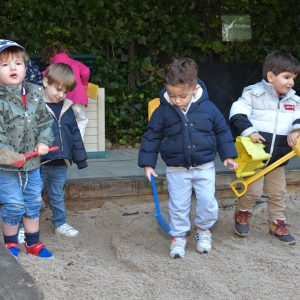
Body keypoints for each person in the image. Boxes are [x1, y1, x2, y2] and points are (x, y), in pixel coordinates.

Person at [138, 58, 238, 258]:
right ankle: (178, 236)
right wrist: (148, 163)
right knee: (178, 204)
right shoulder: (163, 111)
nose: (177, 100)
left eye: (182, 96)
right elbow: (152, 136)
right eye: (172, 95)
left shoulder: (208, 108)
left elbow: (221, 131)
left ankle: (203, 230)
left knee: (208, 202)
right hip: (176, 168)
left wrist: (228, 155)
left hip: (204, 166)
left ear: (194, 88)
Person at [229, 50, 300, 245]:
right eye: (286, 77)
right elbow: (237, 112)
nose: (291, 82)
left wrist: (296, 129)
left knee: (278, 192)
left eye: (293, 78)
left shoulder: (294, 101)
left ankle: (277, 223)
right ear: (270, 76)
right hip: (256, 158)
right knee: (252, 191)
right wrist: (249, 131)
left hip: (278, 158)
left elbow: (298, 118)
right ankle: (242, 213)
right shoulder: (253, 93)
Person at [0, 39, 54, 258]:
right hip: (7, 167)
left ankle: (33, 243)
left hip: (32, 164)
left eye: (18, 63)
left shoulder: (35, 93)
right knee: (13, 204)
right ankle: (11, 243)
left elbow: (45, 123)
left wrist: (44, 141)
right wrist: (10, 156)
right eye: (5, 65)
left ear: (26, 66)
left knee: (33, 201)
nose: (13, 68)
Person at [40, 63, 88, 237]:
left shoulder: (67, 107)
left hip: (61, 161)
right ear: (46, 82)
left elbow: (74, 133)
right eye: (58, 89)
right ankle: (24, 227)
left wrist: (80, 158)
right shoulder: (36, 105)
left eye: (65, 91)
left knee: (57, 194)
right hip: (39, 162)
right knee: (32, 196)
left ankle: (60, 223)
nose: (61, 95)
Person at [41, 42, 90, 139]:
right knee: (81, 120)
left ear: (50, 56)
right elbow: (86, 71)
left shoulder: (54, 66)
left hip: (61, 100)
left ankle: (65, 143)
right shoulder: (75, 63)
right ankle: (78, 143)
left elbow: (44, 75)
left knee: (62, 122)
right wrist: (84, 84)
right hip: (78, 98)